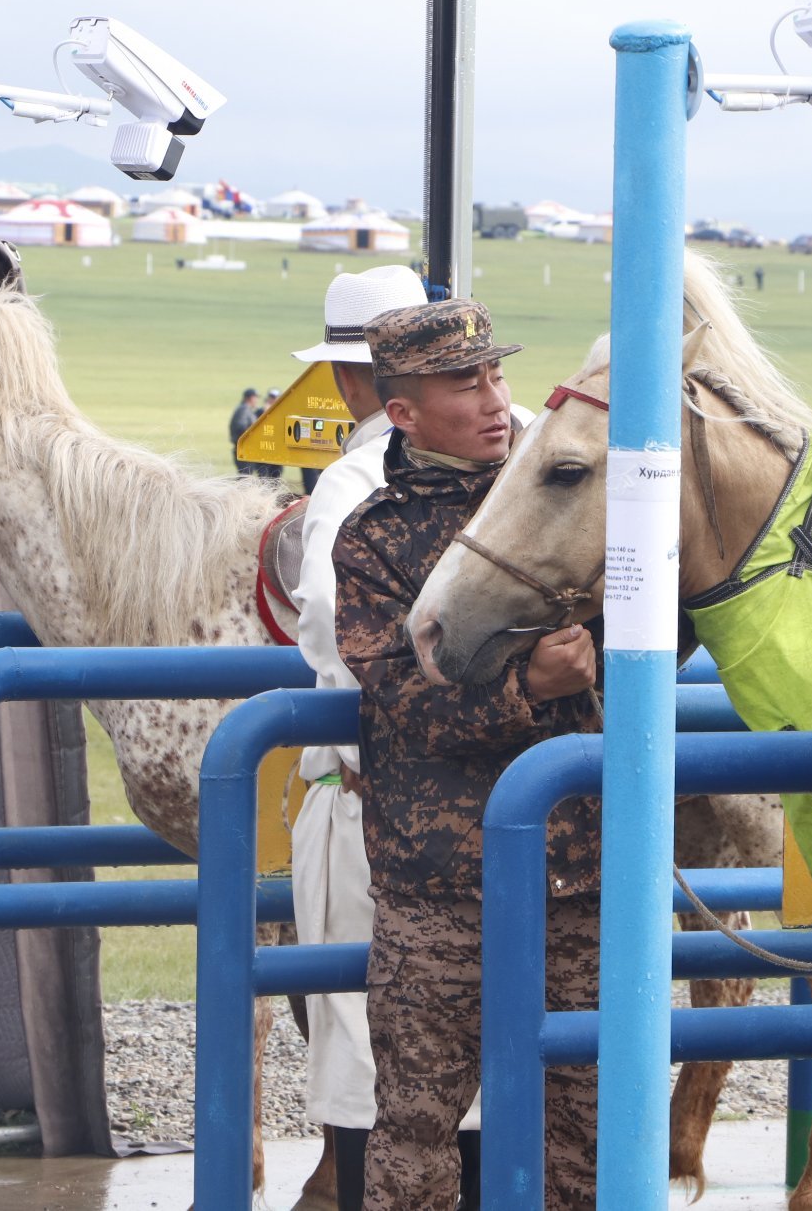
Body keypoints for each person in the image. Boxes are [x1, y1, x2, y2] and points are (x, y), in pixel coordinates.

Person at [334, 300, 603, 1210]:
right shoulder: (374, 535)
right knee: (416, 1131)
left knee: (588, 1131)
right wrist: (530, 685)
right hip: (440, 882)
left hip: (578, 870)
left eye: (495, 374)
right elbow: (399, 695)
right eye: (464, 383)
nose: (494, 399)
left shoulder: (573, 492)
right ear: (402, 412)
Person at [283, 265, 430, 1208]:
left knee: (362, 1042)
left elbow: (334, 632)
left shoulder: (350, 481)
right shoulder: (518, 448)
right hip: (498, 800)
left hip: (371, 798)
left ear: (347, 380)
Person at [229, 387, 263, 473]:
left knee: (246, 475)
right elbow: (240, 427)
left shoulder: (245, 409)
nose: (256, 400)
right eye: (255, 397)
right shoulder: (244, 409)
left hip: (246, 449)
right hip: (244, 449)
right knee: (245, 476)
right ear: (249, 398)